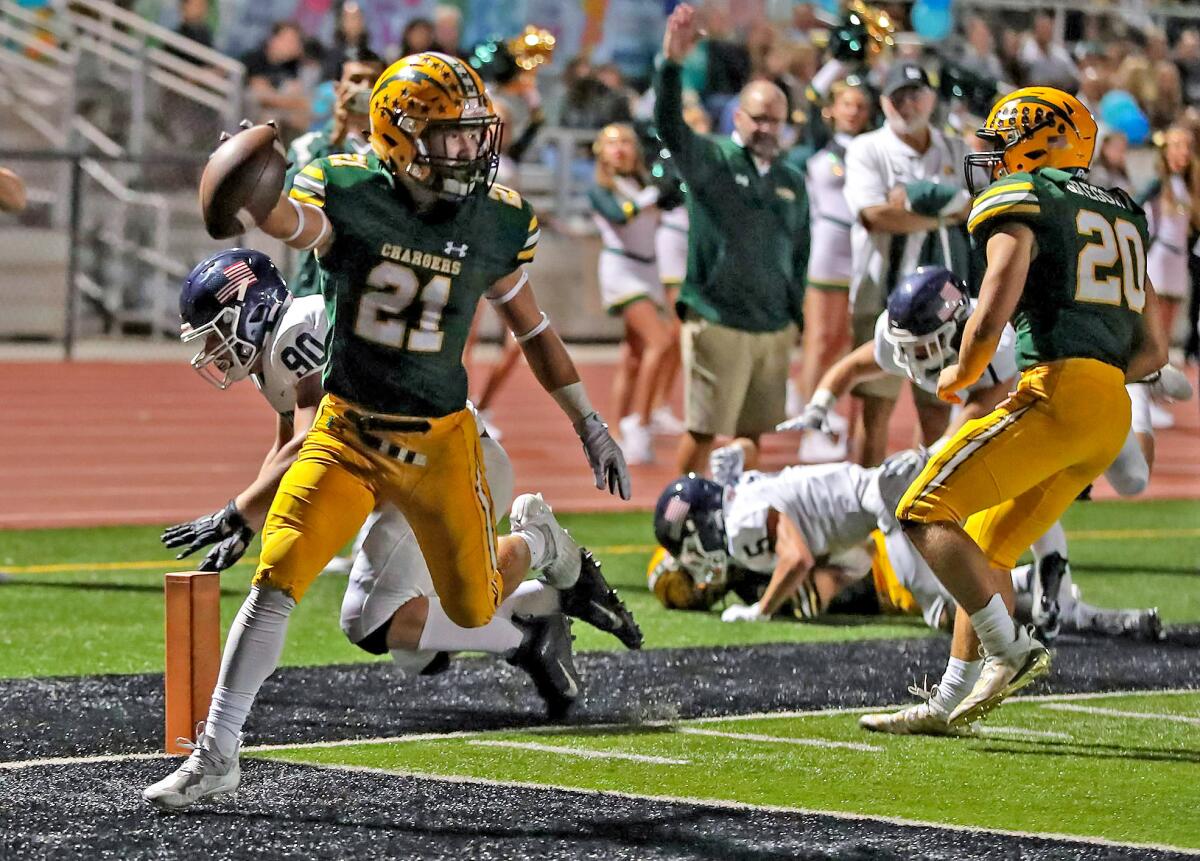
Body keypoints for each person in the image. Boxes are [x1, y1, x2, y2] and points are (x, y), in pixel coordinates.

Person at [143, 51, 631, 809]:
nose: (471, 149)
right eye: (452, 136)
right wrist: (243, 175)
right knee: (276, 580)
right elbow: (286, 221)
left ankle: (539, 542)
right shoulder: (351, 191)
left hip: (440, 445)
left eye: (474, 135)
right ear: (402, 137)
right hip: (346, 433)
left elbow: (532, 329)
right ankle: (218, 753)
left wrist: (588, 421)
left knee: (471, 607)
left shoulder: (496, 219)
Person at [156, 248, 641, 709]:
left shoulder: (293, 334)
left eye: (217, 335)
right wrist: (251, 523)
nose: (213, 352)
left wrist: (237, 512)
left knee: (378, 620)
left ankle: (537, 560)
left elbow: (306, 446)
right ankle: (544, 607)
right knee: (412, 641)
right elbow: (288, 452)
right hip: (402, 474)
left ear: (251, 309)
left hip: (448, 463)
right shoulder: (278, 354)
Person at [893, 86, 1169, 731]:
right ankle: (949, 699)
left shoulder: (1028, 199)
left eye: (999, 142)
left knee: (922, 510)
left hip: (1058, 395)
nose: (987, 156)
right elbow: (1154, 347)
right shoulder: (1124, 211)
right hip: (1109, 412)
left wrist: (960, 374)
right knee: (985, 547)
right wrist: (1097, 379)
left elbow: (991, 304)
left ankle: (1009, 648)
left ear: (1038, 142)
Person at [649, 444, 1163, 644]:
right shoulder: (743, 504)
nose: (691, 560)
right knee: (959, 591)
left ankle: (1048, 596)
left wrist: (761, 610)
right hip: (882, 502)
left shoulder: (739, 524)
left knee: (945, 608)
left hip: (889, 501)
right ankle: (1063, 602)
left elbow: (798, 555)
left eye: (685, 546)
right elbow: (829, 550)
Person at [655, 3, 809, 476]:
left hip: (770, 325)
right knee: (702, 431)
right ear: (738, 117)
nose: (766, 128)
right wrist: (672, 65)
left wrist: (794, 316)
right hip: (717, 318)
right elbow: (670, 128)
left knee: (752, 435)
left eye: (775, 120)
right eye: (758, 118)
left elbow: (799, 253)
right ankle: (676, 531)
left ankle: (742, 526)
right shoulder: (712, 160)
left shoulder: (791, 178)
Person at [842, 61, 971, 467]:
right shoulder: (868, 147)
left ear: (932, 99)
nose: (908, 104)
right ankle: (864, 509)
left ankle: (928, 504)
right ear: (884, 102)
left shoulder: (955, 148)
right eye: (899, 97)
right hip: (881, 293)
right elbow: (874, 215)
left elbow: (977, 208)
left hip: (943, 304)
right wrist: (942, 212)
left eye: (916, 95)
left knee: (938, 407)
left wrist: (917, 200)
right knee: (875, 408)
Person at [788, 77, 873, 463]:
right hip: (827, 247)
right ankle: (811, 426)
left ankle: (834, 417)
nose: (852, 111)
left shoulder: (871, 148)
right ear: (831, 109)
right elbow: (808, 94)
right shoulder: (815, 145)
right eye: (846, 104)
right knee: (819, 341)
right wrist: (837, 62)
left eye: (859, 105)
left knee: (846, 341)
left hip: (861, 249)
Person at [588, 123, 676, 465]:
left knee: (634, 354)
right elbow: (618, 216)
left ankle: (611, 430)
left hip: (648, 268)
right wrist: (653, 195)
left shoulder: (641, 183)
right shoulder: (601, 189)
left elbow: (672, 204)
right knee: (661, 340)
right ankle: (639, 422)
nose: (620, 148)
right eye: (612, 143)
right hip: (621, 270)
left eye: (625, 142)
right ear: (600, 151)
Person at [285, 47, 387, 298]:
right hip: (317, 290)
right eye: (356, 79)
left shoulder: (398, 153)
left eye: (374, 81)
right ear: (337, 88)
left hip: (376, 293)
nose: (365, 87)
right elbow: (295, 212)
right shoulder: (309, 147)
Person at [1137, 125, 1200, 369]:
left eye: (1187, 147)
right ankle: (1147, 369)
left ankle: (1159, 369)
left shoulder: (1187, 184)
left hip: (1179, 255)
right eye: (1178, 147)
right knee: (1156, 317)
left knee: (1172, 313)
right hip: (1160, 253)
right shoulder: (1158, 183)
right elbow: (1137, 206)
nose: (1183, 153)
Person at [240, 21, 311, 136]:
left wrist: (289, 103)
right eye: (288, 41)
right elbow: (263, 96)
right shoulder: (256, 58)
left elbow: (302, 102)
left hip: (278, 114)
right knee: (271, 117)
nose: (293, 46)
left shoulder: (291, 66)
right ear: (273, 40)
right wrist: (289, 102)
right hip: (243, 114)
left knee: (301, 117)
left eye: (296, 42)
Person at [320, 1, 372, 82]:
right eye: (349, 18)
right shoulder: (332, 57)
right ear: (341, 22)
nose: (353, 23)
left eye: (357, 17)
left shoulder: (372, 57)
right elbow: (325, 86)